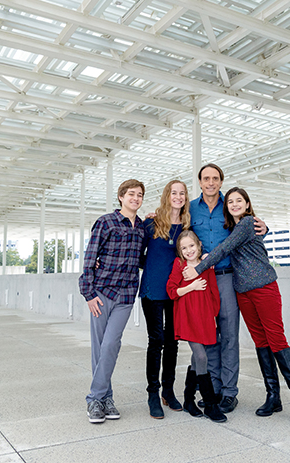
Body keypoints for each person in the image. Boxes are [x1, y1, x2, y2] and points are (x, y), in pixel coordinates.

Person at [183, 187, 290, 428]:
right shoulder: (234, 227)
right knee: (261, 342)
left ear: (247, 203)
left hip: (264, 287)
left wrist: (198, 268)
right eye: (230, 201)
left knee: (277, 341)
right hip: (242, 291)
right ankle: (273, 397)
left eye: (238, 200)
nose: (234, 204)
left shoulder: (246, 223)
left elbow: (223, 249)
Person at [190, 163, 267, 413]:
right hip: (202, 280)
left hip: (226, 277)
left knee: (230, 335)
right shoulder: (191, 209)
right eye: (206, 178)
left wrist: (266, 228)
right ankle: (213, 388)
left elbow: (250, 227)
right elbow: (172, 224)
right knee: (208, 336)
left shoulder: (230, 205)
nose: (210, 182)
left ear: (221, 182)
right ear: (200, 182)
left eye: (215, 178)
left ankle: (230, 392)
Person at [79, 179, 146, 424]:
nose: (135, 198)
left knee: (111, 344)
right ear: (121, 197)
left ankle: (95, 398)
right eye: (131, 194)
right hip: (101, 293)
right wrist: (88, 293)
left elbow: (141, 259)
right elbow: (90, 257)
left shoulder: (142, 228)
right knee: (100, 347)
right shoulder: (105, 222)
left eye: (139, 195)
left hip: (125, 295)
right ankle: (103, 399)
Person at [138, 180, 190, 419]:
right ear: (167, 196)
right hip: (152, 290)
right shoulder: (151, 223)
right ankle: (152, 393)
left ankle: (168, 391)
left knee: (172, 342)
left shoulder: (189, 226)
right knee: (156, 340)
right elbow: (137, 255)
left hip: (176, 291)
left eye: (182, 193)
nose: (178, 197)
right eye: (174, 193)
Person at [166, 230, 226, 423]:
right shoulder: (179, 264)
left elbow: (213, 291)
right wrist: (191, 286)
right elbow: (172, 291)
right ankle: (210, 404)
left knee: (197, 357)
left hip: (204, 316)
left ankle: (188, 400)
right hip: (187, 316)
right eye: (184, 248)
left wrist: (213, 314)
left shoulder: (206, 264)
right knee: (201, 356)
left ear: (199, 245)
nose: (189, 250)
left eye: (191, 246)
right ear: (180, 251)